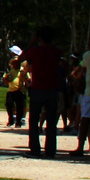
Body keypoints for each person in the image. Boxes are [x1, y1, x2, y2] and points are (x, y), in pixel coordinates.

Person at [18, 27, 62, 157]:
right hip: (52, 89)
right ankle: (50, 150)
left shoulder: (35, 51)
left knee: (34, 120)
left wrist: (31, 42)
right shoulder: (56, 52)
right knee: (51, 121)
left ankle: (35, 150)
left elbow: (20, 59)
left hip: (38, 88)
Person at [3, 49, 29, 129]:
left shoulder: (22, 71)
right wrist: (7, 78)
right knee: (9, 104)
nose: (14, 64)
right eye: (13, 63)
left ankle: (18, 122)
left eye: (16, 63)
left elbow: (28, 79)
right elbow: (5, 80)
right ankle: (11, 120)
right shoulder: (10, 71)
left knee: (20, 107)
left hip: (20, 91)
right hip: (11, 90)